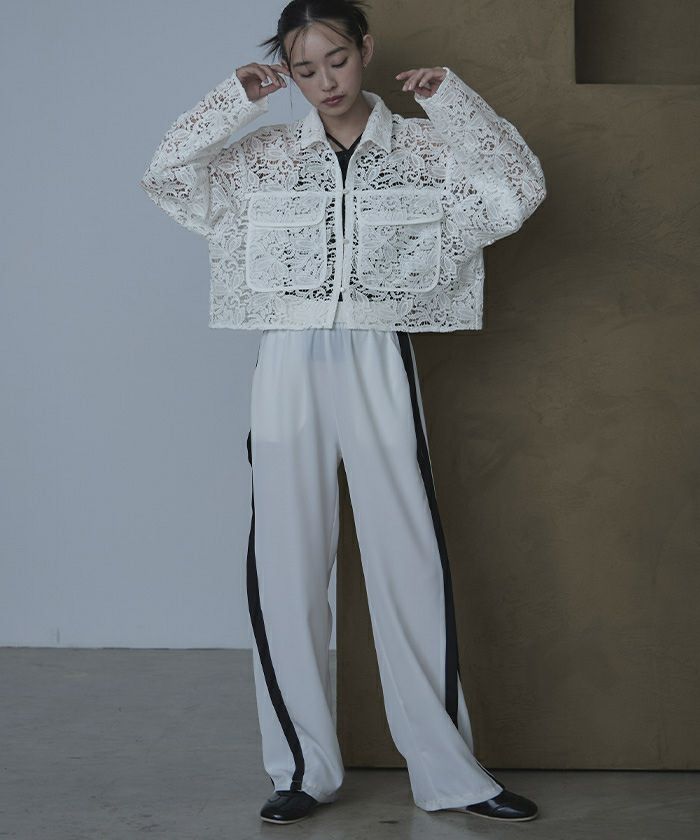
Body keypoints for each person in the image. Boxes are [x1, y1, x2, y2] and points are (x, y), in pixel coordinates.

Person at [140, 0, 546, 826]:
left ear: (366, 50)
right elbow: (169, 176)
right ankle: (301, 769)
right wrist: (231, 101)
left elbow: (518, 189)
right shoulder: (263, 157)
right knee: (284, 563)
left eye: (337, 60)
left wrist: (453, 103)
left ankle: (451, 775)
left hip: (377, 353)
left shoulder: (425, 150)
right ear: (286, 73)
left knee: (409, 557)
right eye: (304, 69)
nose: (324, 81)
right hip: (287, 360)